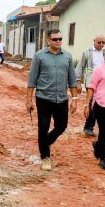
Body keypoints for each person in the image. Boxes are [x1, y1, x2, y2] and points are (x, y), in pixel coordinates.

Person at [26, 28, 78, 171]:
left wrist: (74, 98)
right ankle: (45, 157)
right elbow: (32, 79)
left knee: (62, 126)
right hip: (43, 98)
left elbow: (72, 80)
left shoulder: (67, 56)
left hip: (61, 98)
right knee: (43, 127)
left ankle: (46, 142)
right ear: (48, 40)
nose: (58, 41)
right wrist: (29, 99)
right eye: (55, 39)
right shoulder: (39, 56)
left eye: (60, 39)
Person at [75, 34, 105, 137]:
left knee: (101, 105)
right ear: (94, 41)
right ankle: (88, 128)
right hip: (91, 82)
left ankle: (95, 127)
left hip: (103, 83)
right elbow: (80, 67)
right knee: (92, 104)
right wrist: (78, 82)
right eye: (99, 42)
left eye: (103, 42)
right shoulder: (87, 52)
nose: (101, 44)